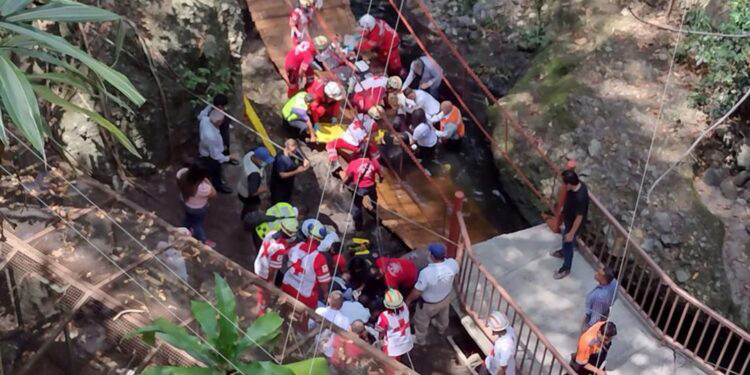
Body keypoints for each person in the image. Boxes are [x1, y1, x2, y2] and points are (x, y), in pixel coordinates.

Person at [406, 243, 458, 346]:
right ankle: (441, 328)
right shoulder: (452, 264)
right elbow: (458, 260)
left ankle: (420, 339)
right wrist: (460, 249)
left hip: (429, 305)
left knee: (421, 321)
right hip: (446, 298)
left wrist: (408, 301)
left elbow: (417, 291)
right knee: (443, 315)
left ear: (432, 256)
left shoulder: (426, 273)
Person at [281, 222, 332, 309]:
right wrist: (326, 294)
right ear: (320, 240)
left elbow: (287, 254)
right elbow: (324, 282)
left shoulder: (298, 246)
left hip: (287, 284)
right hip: (304, 294)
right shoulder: (319, 258)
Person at [254, 218, 298, 315]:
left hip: (259, 264)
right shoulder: (280, 248)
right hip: (265, 273)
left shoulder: (271, 233)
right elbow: (272, 269)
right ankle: (260, 312)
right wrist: (270, 281)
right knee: (263, 293)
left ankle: (262, 305)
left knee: (262, 292)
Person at [551, 170, 589, 279]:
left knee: (568, 243)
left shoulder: (580, 197)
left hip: (573, 224)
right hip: (568, 218)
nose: (563, 185)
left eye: (564, 183)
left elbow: (579, 217)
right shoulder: (578, 186)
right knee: (565, 240)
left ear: (569, 184)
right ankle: (563, 252)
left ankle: (566, 268)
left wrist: (572, 233)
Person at [176, 163, 216, 247]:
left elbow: (179, 177)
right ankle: (203, 240)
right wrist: (207, 181)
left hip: (186, 203)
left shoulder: (182, 175)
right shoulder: (203, 187)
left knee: (187, 218)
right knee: (197, 224)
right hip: (199, 208)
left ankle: (183, 231)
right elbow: (214, 194)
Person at [341, 156, 382, 231]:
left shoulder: (353, 163)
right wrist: (380, 178)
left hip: (360, 188)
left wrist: (342, 185)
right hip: (371, 186)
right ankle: (375, 208)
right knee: (374, 198)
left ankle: (359, 226)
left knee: (356, 206)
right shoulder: (374, 162)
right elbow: (379, 172)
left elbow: (348, 176)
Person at [198, 109, 233, 193]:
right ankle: (218, 185)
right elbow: (215, 156)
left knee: (209, 167)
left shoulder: (204, 119)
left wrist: (210, 105)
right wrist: (229, 157)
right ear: (219, 122)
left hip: (204, 149)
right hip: (209, 156)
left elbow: (202, 113)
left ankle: (209, 177)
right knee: (215, 170)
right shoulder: (212, 137)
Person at [310, 291, 350, 358]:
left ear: (329, 300)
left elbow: (310, 325)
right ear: (341, 305)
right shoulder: (345, 320)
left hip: (311, 342)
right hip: (328, 352)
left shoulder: (320, 311)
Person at [237, 147, 274, 221]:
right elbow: (252, 193)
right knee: (250, 209)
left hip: (241, 186)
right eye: (263, 160)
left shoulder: (249, 155)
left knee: (246, 207)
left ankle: (245, 216)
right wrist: (264, 188)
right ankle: (247, 220)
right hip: (247, 195)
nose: (265, 162)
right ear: (257, 158)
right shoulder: (254, 174)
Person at [376, 289, 414, 359]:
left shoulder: (384, 316)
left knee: (389, 364)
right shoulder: (405, 307)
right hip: (406, 342)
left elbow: (381, 332)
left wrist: (379, 339)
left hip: (392, 348)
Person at [269, 139, 310, 204]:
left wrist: (306, 164)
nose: (295, 152)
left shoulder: (296, 152)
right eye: (293, 151)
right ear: (287, 148)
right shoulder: (280, 159)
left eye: (296, 149)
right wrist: (297, 171)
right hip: (279, 186)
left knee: (287, 200)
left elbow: (305, 162)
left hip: (289, 183)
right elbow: (282, 175)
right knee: (278, 202)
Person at [479, 311, 516, 375]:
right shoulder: (509, 330)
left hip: (494, 371)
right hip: (490, 364)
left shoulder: (506, 348)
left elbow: (503, 368)